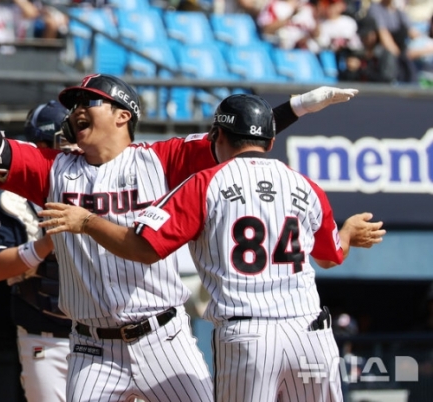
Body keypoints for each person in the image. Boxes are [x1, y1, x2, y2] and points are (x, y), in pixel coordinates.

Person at [0, 74, 359, 401]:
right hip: (90, 346)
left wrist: (299, 107)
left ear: (123, 114)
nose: (75, 111)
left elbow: (243, 135)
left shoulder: (163, 160)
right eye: (72, 106)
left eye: (88, 101)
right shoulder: (52, 168)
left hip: (164, 337)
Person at [38, 93, 386, 402]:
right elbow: (330, 257)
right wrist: (347, 233)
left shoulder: (204, 183)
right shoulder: (306, 184)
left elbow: (145, 247)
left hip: (249, 336)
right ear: (271, 139)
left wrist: (88, 222)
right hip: (311, 334)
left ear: (217, 136)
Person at [0, 100, 75, 402]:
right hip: (46, 337)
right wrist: (45, 245)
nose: (71, 149)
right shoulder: (16, 198)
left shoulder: (110, 185)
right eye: (62, 141)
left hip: (106, 337)